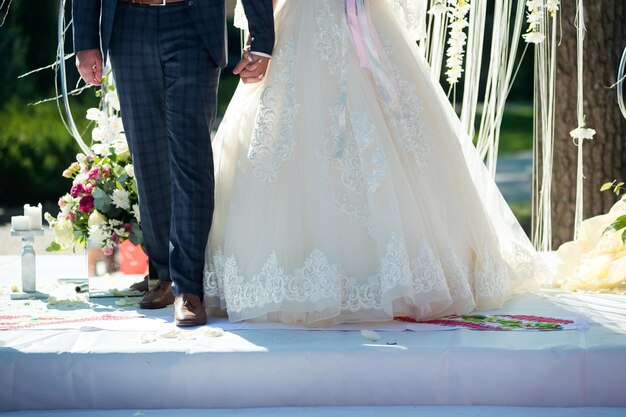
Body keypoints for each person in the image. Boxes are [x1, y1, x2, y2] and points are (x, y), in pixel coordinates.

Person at [203, 0, 547, 326]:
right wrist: (264, 37)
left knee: (388, 130)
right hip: (301, 22)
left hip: (360, 21)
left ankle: (402, 273)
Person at [73, 0, 275, 326]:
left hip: (192, 21)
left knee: (190, 157)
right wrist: (84, 41)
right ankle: (165, 273)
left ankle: (189, 288)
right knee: (147, 156)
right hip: (128, 23)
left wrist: (263, 38)